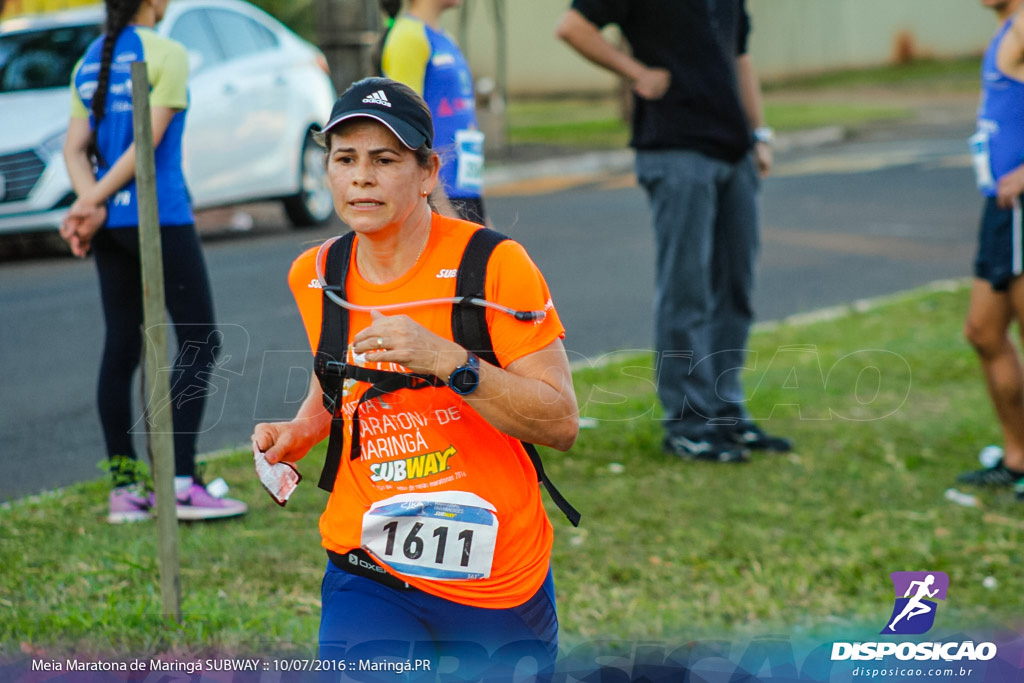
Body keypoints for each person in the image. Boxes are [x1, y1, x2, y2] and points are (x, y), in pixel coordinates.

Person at [251, 77, 578, 679]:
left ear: (427, 172)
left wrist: (446, 360)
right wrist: (301, 429)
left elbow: (558, 422)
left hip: (491, 573)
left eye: (384, 159)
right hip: (367, 561)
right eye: (344, 159)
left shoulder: (494, 266)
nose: (361, 177)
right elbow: (340, 383)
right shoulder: (317, 274)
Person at [556, 0, 792, 463]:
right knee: (687, 293)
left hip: (735, 150)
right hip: (677, 149)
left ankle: (726, 415)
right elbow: (573, 27)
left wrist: (759, 134)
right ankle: (688, 423)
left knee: (735, 289)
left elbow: (738, 57)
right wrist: (636, 72)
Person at [61, 0, 246, 523]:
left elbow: (76, 148)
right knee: (199, 340)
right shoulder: (168, 52)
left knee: (121, 346)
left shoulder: (90, 59)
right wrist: (90, 202)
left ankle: (124, 490)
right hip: (159, 216)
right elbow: (147, 145)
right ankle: (181, 484)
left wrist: (90, 203)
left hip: (111, 227)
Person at [958, 0, 1024, 494]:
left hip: (1021, 204)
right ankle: (1018, 459)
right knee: (983, 331)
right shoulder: (1008, 27)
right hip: (999, 208)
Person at [378, 0, 487, 225]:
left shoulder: (444, 37)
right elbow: (405, 126)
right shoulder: (408, 37)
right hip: (438, 196)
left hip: (464, 188)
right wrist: (442, 206)